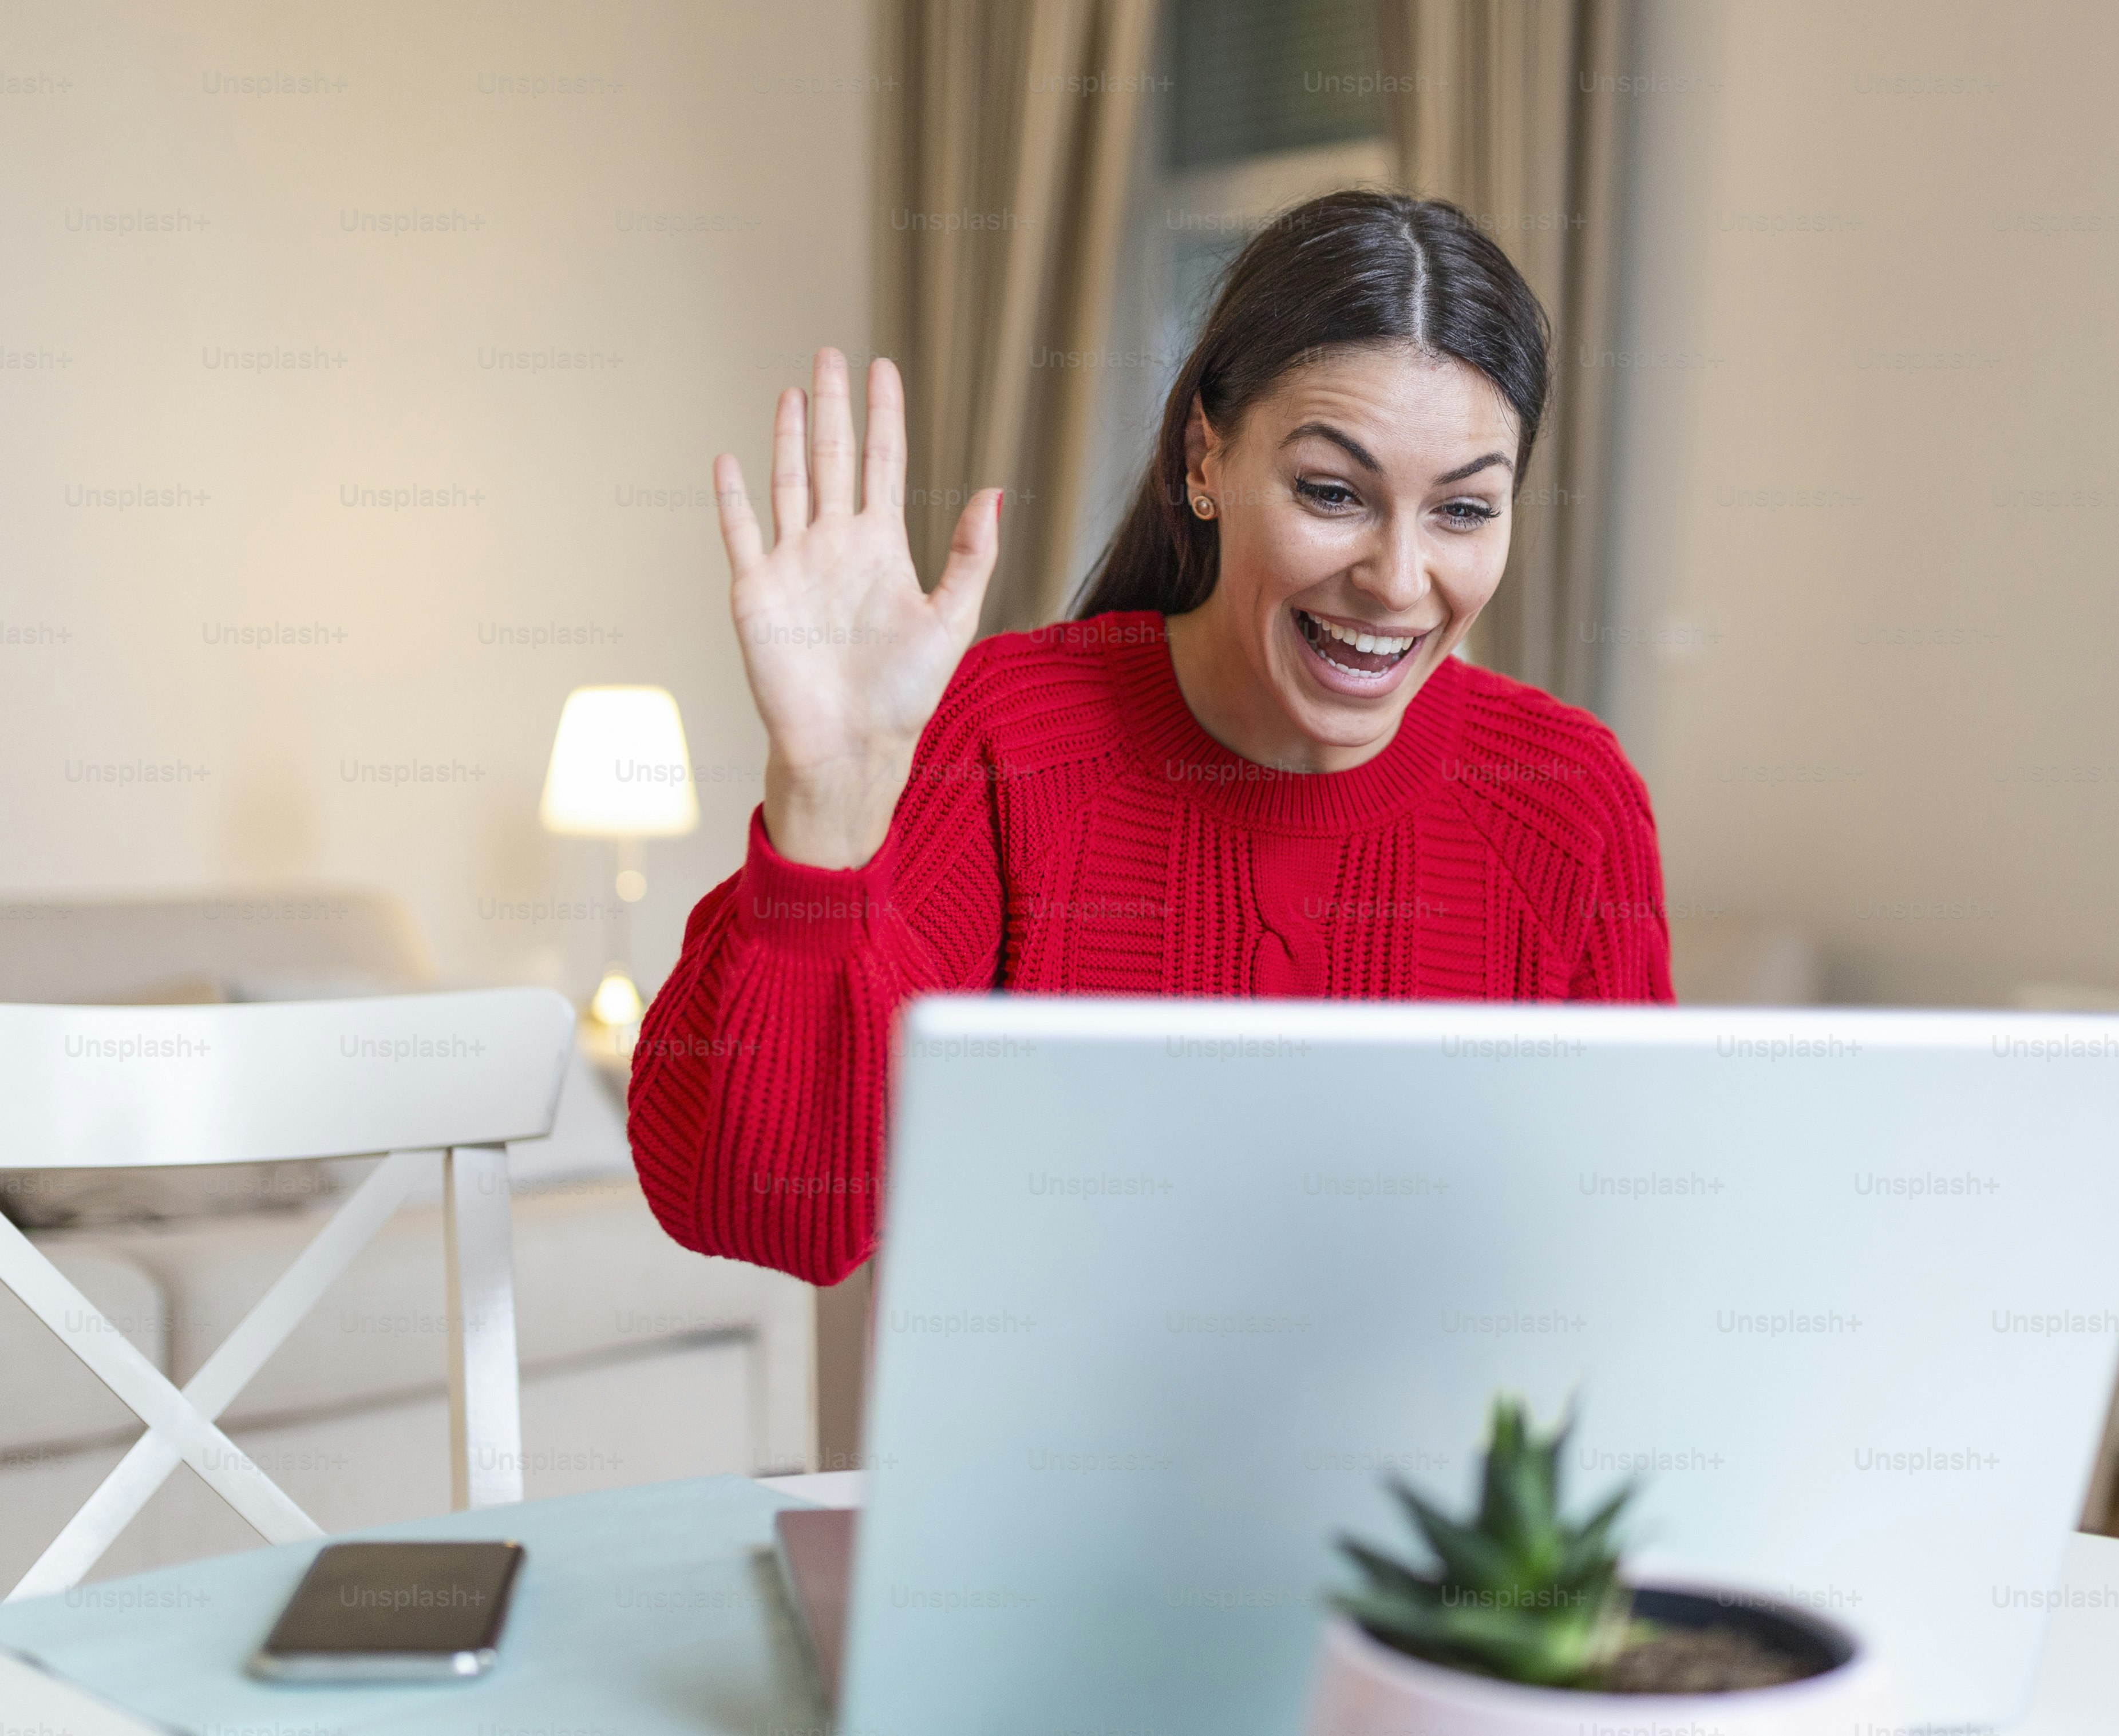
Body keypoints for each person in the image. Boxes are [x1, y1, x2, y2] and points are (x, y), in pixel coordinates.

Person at [630, 191, 1673, 1282]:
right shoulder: (1012, 741)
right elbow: (771, 1216)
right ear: (1203, 460)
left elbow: (1627, 1261)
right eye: (1332, 491)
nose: (1398, 580)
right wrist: (824, 807)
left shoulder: (1568, 798)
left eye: (1463, 510)